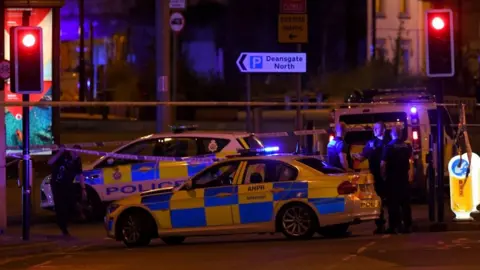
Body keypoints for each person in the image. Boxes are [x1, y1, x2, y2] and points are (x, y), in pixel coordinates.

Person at [352, 122, 389, 234]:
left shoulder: (388, 141)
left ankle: (395, 224)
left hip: (388, 175)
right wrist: (354, 157)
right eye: (374, 128)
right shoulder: (371, 142)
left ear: (384, 129)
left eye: (377, 128)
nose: (375, 130)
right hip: (376, 175)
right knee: (378, 200)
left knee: (392, 201)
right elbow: (362, 156)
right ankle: (380, 225)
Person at [381, 126, 413, 234]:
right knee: (405, 203)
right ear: (400, 134)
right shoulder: (407, 146)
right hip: (403, 177)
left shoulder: (389, 147)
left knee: (393, 203)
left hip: (392, 178)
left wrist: (383, 176)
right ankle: (407, 225)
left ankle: (395, 225)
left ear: (391, 134)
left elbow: (383, 164)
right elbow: (410, 161)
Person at [48, 145, 86, 237]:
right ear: (71, 151)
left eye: (78, 154)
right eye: (74, 153)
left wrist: (83, 188)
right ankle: (63, 227)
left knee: (70, 203)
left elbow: (80, 175)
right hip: (58, 184)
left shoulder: (77, 160)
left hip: (68, 184)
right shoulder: (63, 156)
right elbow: (50, 162)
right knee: (61, 206)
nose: (76, 155)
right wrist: (60, 152)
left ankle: (75, 215)